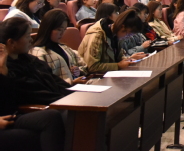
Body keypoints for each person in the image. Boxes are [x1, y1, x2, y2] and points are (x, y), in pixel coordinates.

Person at [0, 18, 68, 151]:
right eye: (27, 36)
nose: (31, 40)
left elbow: (52, 80)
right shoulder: (8, 66)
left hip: (12, 115)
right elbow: (8, 104)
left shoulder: (29, 60)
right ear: (11, 42)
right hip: (10, 115)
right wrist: (3, 72)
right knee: (54, 117)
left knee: (57, 117)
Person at [77, 9, 145, 73]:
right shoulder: (97, 35)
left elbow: (117, 57)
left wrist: (129, 59)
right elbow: (92, 67)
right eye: (128, 34)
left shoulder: (116, 34)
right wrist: (118, 66)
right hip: (91, 75)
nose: (128, 37)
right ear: (122, 27)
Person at [30, 9, 88, 85]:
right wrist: (71, 82)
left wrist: (78, 71)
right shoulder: (38, 52)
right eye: (59, 29)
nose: (62, 33)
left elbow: (84, 64)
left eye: (64, 29)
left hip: (75, 87)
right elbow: (45, 82)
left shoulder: (63, 47)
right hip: (61, 90)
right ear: (48, 28)